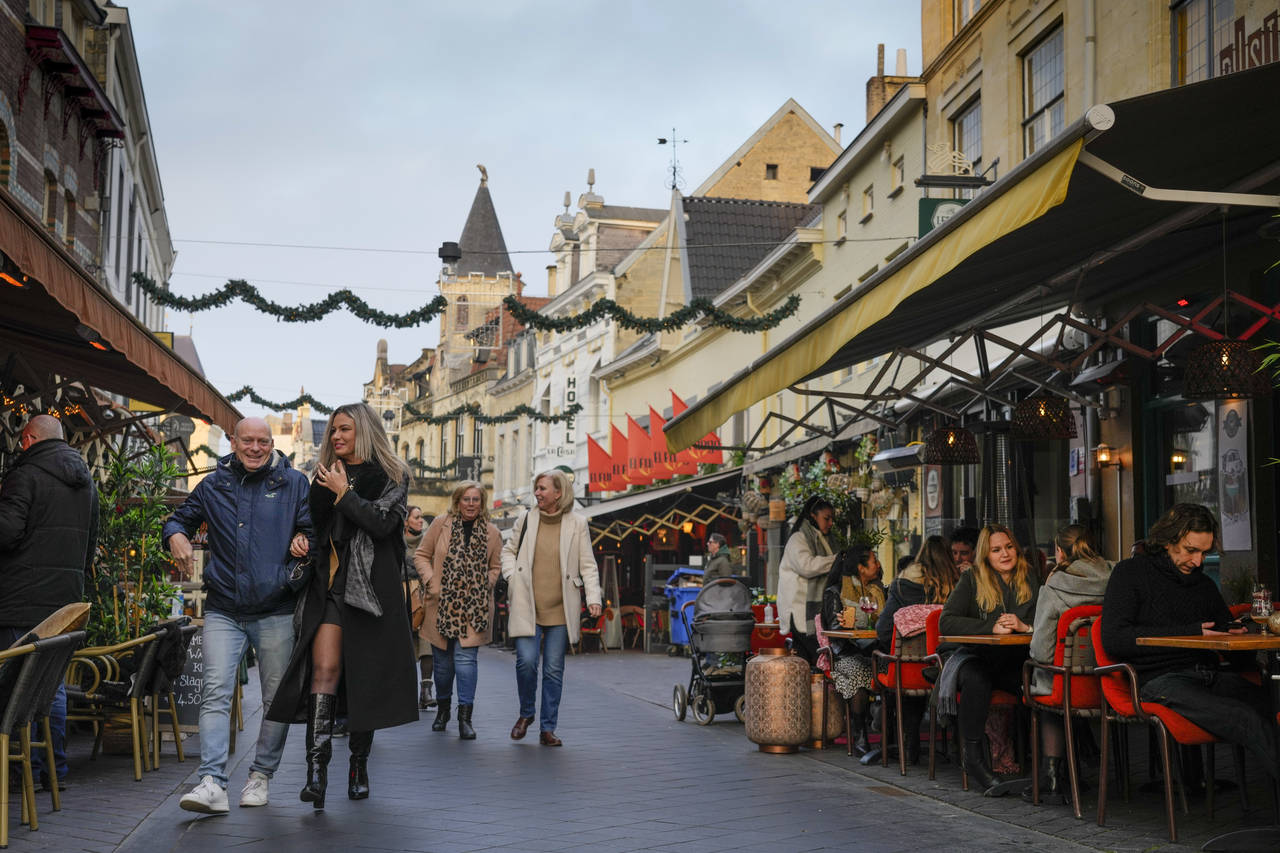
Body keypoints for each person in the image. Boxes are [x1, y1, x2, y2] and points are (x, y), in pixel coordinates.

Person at [267, 403, 418, 809]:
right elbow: (315, 531)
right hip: (330, 589)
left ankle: (358, 766)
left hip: (371, 593)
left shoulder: (393, 476)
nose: (335, 437)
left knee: (364, 677)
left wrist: (344, 493)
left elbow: (383, 525)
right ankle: (316, 773)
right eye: (332, 430)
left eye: (344, 429)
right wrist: (301, 541)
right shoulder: (321, 478)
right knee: (325, 669)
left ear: (363, 431)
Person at [164, 417, 311, 814]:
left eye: (263, 441)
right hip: (225, 608)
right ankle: (212, 781)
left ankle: (261, 776)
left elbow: (314, 531)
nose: (256, 448)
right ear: (233, 441)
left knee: (276, 699)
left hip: (275, 607)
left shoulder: (294, 482)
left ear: (271, 444)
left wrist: (302, 543)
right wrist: (175, 534)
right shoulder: (214, 484)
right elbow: (179, 519)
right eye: (248, 440)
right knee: (215, 691)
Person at [1101, 503, 1278, 782]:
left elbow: (1234, 653)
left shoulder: (1203, 585)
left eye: (1205, 553)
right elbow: (1114, 639)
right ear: (1167, 541)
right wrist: (1193, 632)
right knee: (1245, 717)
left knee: (1274, 705)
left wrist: (1238, 636)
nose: (1198, 562)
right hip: (1158, 681)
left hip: (1207, 676)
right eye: (1190, 550)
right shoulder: (1130, 573)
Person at [0, 414, 99, 793]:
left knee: (13, 686)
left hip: (18, 598)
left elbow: (8, 531)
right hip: (65, 601)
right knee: (49, 684)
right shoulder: (85, 479)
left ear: (28, 439)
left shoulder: (24, 475)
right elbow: (91, 541)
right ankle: (50, 770)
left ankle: (20, 768)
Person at [501, 469, 602, 746]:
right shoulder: (525, 519)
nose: (537, 493)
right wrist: (512, 577)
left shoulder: (577, 523)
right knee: (526, 662)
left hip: (560, 609)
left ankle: (547, 728)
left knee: (554, 670)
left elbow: (588, 565)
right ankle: (526, 713)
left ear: (559, 492)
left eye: (543, 488)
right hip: (527, 604)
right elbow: (508, 551)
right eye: (536, 488)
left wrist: (594, 598)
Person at [939, 523, 1040, 795]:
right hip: (973, 657)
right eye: (996, 550)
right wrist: (990, 627)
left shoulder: (1028, 576)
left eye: (1009, 547)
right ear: (986, 555)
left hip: (1012, 659)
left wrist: (1024, 626)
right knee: (978, 679)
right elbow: (946, 622)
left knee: (1037, 681)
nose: (1005, 554)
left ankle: (1049, 766)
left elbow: (1043, 618)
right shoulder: (972, 578)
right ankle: (973, 760)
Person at [1024, 524, 1111, 805]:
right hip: (1111, 682)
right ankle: (1094, 767)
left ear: (1059, 552)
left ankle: (1051, 777)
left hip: (1068, 686)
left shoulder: (1054, 586)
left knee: (1045, 682)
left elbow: (1042, 650)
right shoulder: (1116, 576)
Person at [414, 481, 502, 739]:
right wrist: (432, 581)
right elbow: (421, 555)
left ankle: (465, 718)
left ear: (482, 503)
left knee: (465, 662)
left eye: (476, 499)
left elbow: (495, 566)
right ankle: (443, 710)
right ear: (457, 501)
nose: (471, 504)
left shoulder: (492, 532)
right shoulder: (440, 524)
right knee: (442, 667)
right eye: (466, 499)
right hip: (441, 607)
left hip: (473, 609)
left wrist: (487, 582)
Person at [875, 535, 960, 765]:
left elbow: (883, 631)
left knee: (901, 667)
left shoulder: (902, 586)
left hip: (908, 672)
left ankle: (907, 741)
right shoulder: (958, 586)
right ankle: (955, 743)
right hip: (946, 668)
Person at [818, 544, 884, 754]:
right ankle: (860, 734)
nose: (879, 564)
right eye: (874, 561)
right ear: (861, 568)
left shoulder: (877, 590)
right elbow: (836, 631)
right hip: (845, 654)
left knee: (896, 668)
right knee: (858, 673)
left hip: (874, 650)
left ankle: (893, 733)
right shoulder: (835, 592)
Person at [778, 496, 838, 664]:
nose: (831, 523)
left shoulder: (822, 538)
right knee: (817, 656)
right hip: (800, 611)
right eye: (826, 518)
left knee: (806, 660)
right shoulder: (798, 538)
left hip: (809, 612)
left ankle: (810, 689)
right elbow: (807, 566)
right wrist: (837, 559)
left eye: (832, 518)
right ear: (813, 515)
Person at [402, 505, 435, 710]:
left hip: (425, 597)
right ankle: (402, 693)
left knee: (426, 645)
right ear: (406, 522)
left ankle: (426, 692)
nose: (421, 521)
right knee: (402, 646)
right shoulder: (395, 543)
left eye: (422, 517)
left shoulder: (429, 543)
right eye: (417, 517)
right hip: (401, 596)